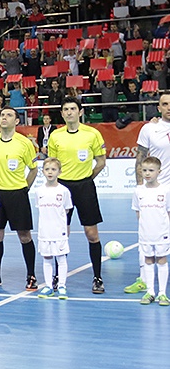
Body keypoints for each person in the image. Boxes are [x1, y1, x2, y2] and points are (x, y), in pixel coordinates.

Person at [47, 97, 106, 294]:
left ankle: (97, 277)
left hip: (85, 187)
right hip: (62, 189)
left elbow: (101, 161)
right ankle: (57, 276)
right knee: (61, 233)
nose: (70, 112)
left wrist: (87, 179)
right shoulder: (56, 136)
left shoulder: (92, 134)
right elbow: (51, 163)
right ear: (62, 113)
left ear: (80, 112)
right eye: (66, 109)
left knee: (92, 233)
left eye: (73, 108)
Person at [0, 107, 39, 290]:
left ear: (16, 121)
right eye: (2, 115)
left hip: (17, 194)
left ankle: (31, 275)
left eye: (9, 115)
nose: (4, 118)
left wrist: (24, 189)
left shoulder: (24, 143)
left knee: (24, 236)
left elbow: (33, 169)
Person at [127, 92, 170, 294]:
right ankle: (144, 279)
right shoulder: (150, 129)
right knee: (146, 236)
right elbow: (140, 158)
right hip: (156, 190)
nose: (169, 107)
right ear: (159, 107)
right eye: (165, 104)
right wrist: (139, 187)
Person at [133, 156, 170, 305]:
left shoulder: (166, 190)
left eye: (151, 170)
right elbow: (138, 212)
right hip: (145, 234)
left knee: (161, 260)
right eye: (144, 170)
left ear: (159, 172)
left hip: (162, 233)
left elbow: (168, 211)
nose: (147, 174)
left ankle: (162, 293)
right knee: (148, 260)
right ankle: (150, 292)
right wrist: (144, 228)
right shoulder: (138, 191)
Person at [35, 158, 73, 300]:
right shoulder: (39, 191)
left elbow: (67, 209)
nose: (50, 172)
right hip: (44, 231)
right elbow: (39, 208)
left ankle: (62, 285)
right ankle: (49, 286)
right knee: (47, 258)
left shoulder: (64, 191)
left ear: (59, 172)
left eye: (53, 169)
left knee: (61, 258)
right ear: (43, 171)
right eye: (47, 169)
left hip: (59, 231)